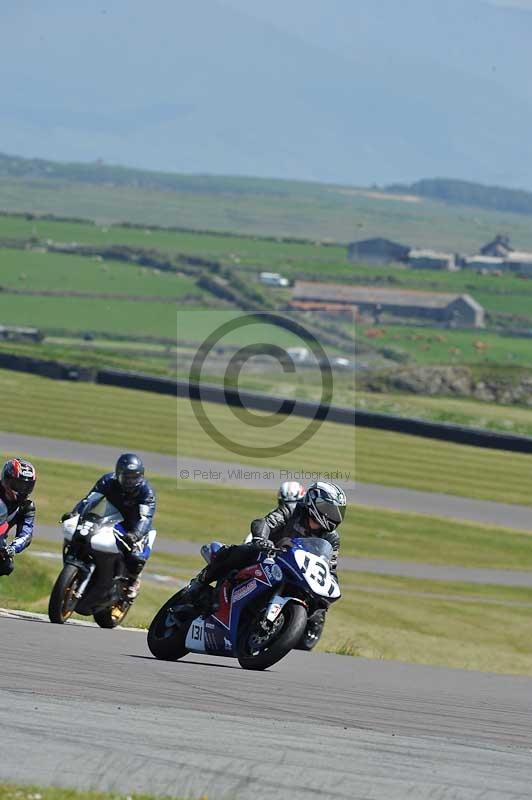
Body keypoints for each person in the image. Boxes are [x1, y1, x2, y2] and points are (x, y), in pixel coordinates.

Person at [183, 481, 346, 627]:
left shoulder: (331, 538)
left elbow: (329, 569)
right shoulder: (292, 509)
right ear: (315, 502)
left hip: (295, 572)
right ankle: (199, 582)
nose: (335, 515)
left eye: (339, 511)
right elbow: (265, 523)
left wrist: (330, 589)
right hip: (269, 555)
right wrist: (262, 539)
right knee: (244, 551)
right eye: (331, 509)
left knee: (318, 605)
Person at [63, 453, 156, 599]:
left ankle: (133, 581)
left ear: (141, 475)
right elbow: (90, 500)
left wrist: (136, 534)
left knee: (136, 557)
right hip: (110, 518)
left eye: (135, 477)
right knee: (80, 533)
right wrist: (75, 513)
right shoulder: (108, 481)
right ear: (118, 474)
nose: (131, 481)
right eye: (127, 477)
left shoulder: (146, 491)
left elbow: (145, 518)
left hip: (134, 526)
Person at [0, 458, 37, 576]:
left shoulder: (27, 507)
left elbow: (26, 534)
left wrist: (12, 548)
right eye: (19, 484)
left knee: (7, 566)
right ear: (7, 480)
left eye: (27, 486)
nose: (23, 490)